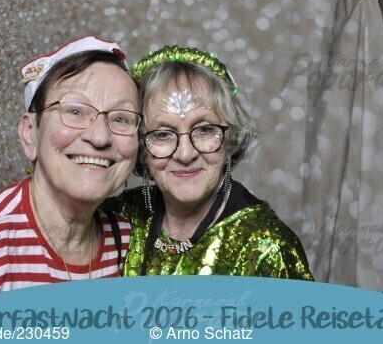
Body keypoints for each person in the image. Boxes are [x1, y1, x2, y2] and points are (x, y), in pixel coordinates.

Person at [0, 37, 141, 301]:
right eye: (75, 111)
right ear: (30, 134)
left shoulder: (133, 243)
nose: (100, 137)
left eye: (121, 118)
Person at [113, 46, 313, 279]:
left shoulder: (268, 247)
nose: (185, 154)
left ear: (231, 138)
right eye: (163, 134)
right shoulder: (117, 220)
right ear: (140, 148)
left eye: (205, 130)